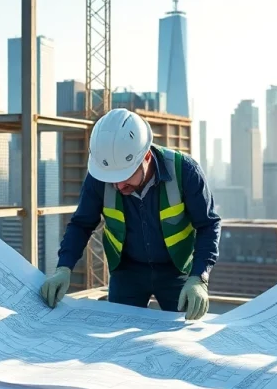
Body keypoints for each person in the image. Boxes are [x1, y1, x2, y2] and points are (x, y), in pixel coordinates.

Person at [40, 108, 221, 320]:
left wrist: (199, 277)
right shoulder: (101, 175)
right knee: (118, 329)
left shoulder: (185, 171)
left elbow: (208, 225)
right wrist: (63, 267)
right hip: (127, 272)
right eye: (112, 178)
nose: (118, 185)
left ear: (146, 156)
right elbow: (81, 225)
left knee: (183, 330)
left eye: (125, 175)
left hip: (177, 270)